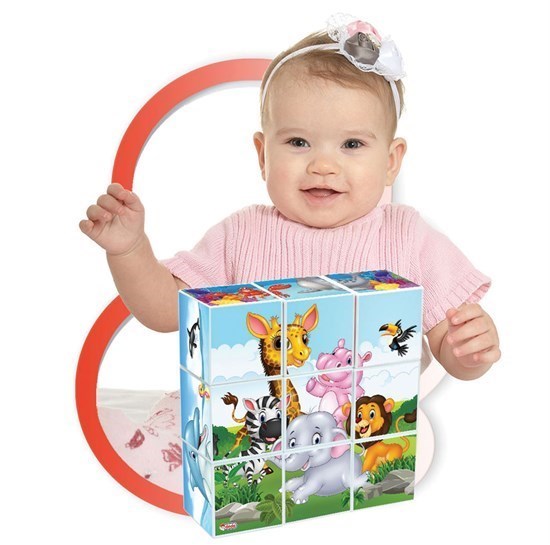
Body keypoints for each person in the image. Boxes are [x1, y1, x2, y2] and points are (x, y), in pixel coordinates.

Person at [80, 15, 500, 381]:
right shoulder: (241, 235)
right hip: (259, 427)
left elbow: (451, 348)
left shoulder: (408, 237)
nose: (323, 165)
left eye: (352, 144)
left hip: (373, 433)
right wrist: (130, 250)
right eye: (298, 142)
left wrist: (469, 351)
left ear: (391, 162)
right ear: (263, 155)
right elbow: (163, 312)